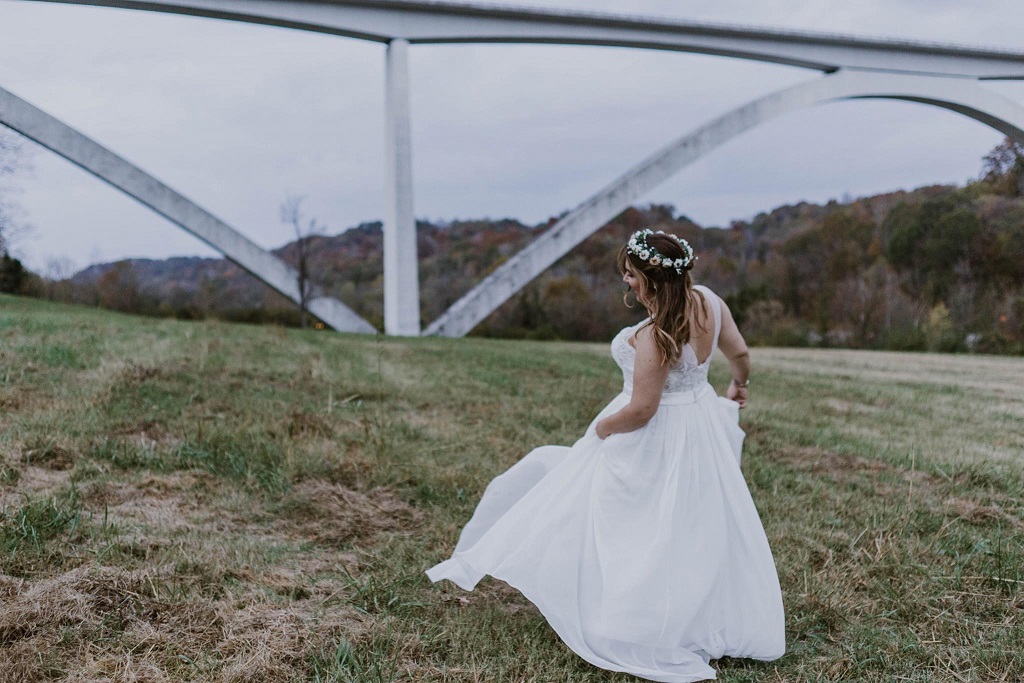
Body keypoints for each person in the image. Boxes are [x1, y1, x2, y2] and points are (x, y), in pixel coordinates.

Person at [426, 229, 785, 682]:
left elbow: (642, 409)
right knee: (685, 520)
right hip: (699, 428)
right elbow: (740, 352)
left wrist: (602, 428)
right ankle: (684, 610)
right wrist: (739, 384)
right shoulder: (710, 302)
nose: (626, 282)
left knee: (615, 514)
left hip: (653, 435)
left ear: (652, 282)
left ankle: (624, 616)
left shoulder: (656, 335)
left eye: (632, 275)